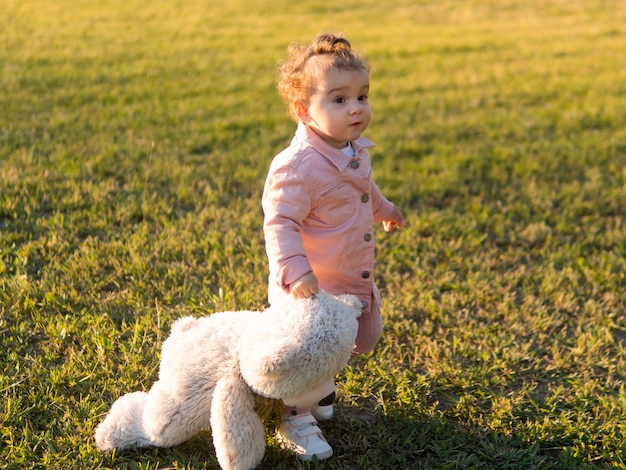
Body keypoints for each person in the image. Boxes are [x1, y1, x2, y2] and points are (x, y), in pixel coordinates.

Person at [262, 33, 405, 461]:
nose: (356, 108)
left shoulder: (353, 149)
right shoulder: (297, 167)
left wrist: (384, 208)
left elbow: (362, 188)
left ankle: (319, 391)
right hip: (308, 287)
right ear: (304, 111)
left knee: (344, 342)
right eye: (339, 99)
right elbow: (280, 221)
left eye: (362, 96)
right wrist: (296, 271)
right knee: (310, 349)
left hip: (344, 277)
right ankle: (293, 414)